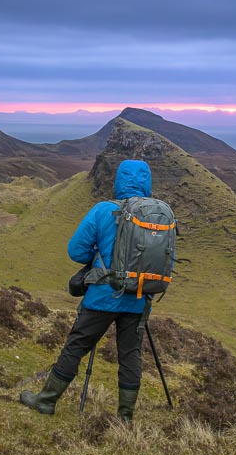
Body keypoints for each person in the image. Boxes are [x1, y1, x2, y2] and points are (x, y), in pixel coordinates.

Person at [20, 159, 155, 423]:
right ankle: (125, 417)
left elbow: (76, 251)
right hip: (138, 298)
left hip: (102, 297)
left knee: (77, 345)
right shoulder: (157, 216)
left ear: (119, 181)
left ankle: (46, 401)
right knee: (130, 355)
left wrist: (99, 254)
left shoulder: (103, 210)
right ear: (148, 182)